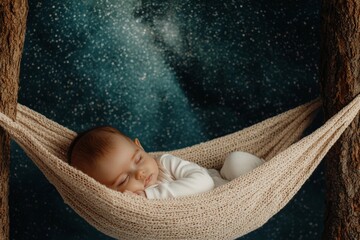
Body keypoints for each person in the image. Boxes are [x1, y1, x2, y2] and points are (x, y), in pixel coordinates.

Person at [67, 126, 265, 199]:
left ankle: (268, 174)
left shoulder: (164, 163)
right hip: (215, 219)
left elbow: (205, 183)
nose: (140, 173)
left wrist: (150, 194)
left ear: (141, 147)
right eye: (122, 180)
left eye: (138, 159)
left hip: (231, 186)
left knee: (235, 161)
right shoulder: (129, 205)